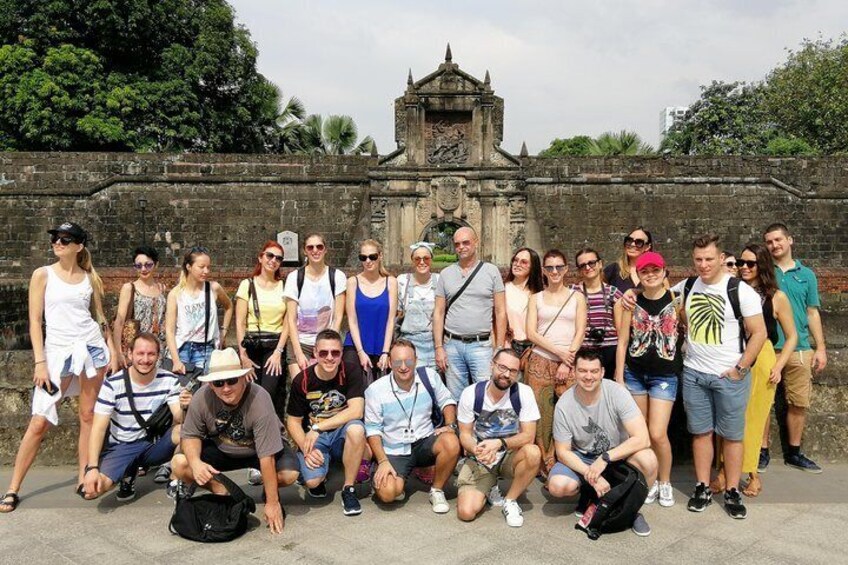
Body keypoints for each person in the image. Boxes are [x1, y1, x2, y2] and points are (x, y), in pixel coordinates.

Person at [1, 222, 111, 513]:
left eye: (65, 239)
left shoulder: (90, 278)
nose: (58, 243)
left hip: (90, 349)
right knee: (39, 421)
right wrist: (40, 362)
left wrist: (111, 349)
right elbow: (35, 322)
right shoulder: (43, 275)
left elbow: (99, 317)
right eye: (55, 238)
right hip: (57, 353)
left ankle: (82, 476)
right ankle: (13, 487)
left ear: (78, 246)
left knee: (88, 415)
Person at [670, 233, 766, 520]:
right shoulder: (686, 286)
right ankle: (702, 486)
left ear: (722, 258)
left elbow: (759, 332)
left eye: (709, 259)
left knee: (733, 436)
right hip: (695, 373)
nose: (703, 264)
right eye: (698, 259)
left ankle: (733, 490)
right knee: (701, 433)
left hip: (729, 375)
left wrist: (741, 368)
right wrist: (630, 294)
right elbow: (656, 292)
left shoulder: (740, 291)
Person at [170, 348, 299, 535]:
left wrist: (272, 502)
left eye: (232, 381)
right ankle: (221, 488)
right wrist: (196, 463)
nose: (226, 388)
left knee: (289, 474)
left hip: (258, 450)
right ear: (211, 385)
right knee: (180, 463)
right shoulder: (201, 397)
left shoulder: (260, 399)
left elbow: (267, 458)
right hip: (223, 448)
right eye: (219, 383)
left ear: (244, 378)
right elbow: (190, 436)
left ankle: (268, 488)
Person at [713, 244, 797, 497]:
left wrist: (779, 365)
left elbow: (791, 336)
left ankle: (752, 473)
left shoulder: (776, 297)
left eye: (751, 263)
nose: (745, 268)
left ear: (763, 266)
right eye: (741, 263)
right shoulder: (731, 291)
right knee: (726, 413)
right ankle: (723, 470)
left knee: (754, 417)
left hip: (762, 357)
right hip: (732, 353)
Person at [548, 350, 657, 537]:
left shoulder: (617, 393)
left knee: (648, 459)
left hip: (616, 454)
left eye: (593, 371)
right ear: (574, 372)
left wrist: (606, 458)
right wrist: (591, 475)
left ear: (602, 372)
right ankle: (589, 494)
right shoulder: (564, 405)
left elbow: (642, 438)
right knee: (558, 486)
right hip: (583, 456)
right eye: (582, 371)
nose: (588, 376)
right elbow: (563, 452)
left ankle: (631, 511)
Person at [83, 333, 187, 502]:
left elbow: (178, 416)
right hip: (122, 445)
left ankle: (175, 479)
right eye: (140, 353)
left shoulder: (169, 380)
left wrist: (185, 406)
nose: (145, 359)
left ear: (158, 356)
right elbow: (98, 428)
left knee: (185, 430)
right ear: (130, 354)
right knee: (92, 491)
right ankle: (128, 474)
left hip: (153, 444)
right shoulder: (112, 384)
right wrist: (92, 468)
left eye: (151, 354)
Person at [614, 251, 681, 508]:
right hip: (635, 373)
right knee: (640, 431)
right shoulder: (631, 302)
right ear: (638, 275)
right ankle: (649, 480)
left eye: (655, 270)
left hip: (664, 374)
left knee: (657, 432)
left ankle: (665, 481)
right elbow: (622, 342)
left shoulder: (677, 302)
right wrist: (619, 376)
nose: (651, 275)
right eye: (645, 271)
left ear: (664, 272)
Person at [365, 339, 460, 513]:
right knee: (387, 495)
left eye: (408, 361)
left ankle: (437, 490)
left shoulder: (429, 376)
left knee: (451, 441)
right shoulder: (375, 390)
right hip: (395, 449)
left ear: (416, 360)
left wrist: (450, 425)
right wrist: (383, 461)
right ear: (390, 363)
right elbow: (372, 430)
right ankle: (394, 477)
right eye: (397, 362)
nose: (403, 367)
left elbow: (447, 401)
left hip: (424, 441)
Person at [762, 223, 827, 474]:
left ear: (790, 240)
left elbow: (812, 312)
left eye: (778, 240)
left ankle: (794, 452)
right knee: (763, 401)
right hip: (770, 347)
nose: (774, 245)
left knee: (799, 402)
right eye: (769, 242)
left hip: (799, 346)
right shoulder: (765, 272)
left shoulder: (807, 274)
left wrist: (820, 347)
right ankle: (762, 450)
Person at [455, 349, 542, 528]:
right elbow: (464, 434)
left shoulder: (523, 393)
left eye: (513, 371)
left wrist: (500, 444)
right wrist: (476, 450)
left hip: (509, 454)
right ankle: (490, 485)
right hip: (481, 457)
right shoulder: (471, 393)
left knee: (533, 452)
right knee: (466, 512)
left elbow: (528, 436)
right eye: (502, 367)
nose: (506, 374)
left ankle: (510, 501)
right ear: (492, 365)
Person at [286, 329, 369, 516]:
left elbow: (356, 410)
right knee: (313, 483)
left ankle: (349, 489)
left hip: (340, 432)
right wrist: (306, 448)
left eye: (335, 352)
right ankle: (317, 469)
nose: (329, 358)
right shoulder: (302, 380)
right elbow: (292, 421)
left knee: (356, 429)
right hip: (317, 437)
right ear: (315, 353)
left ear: (341, 353)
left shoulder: (351, 370)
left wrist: (318, 426)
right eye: (323, 353)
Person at [525, 249, 587, 478]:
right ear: (543, 270)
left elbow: (580, 330)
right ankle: (543, 463)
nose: (554, 271)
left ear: (566, 269)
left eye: (558, 267)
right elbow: (531, 332)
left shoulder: (576, 297)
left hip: (569, 361)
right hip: (541, 360)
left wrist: (566, 358)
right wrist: (558, 352)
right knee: (542, 414)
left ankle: (566, 459)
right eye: (549, 267)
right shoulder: (536, 298)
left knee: (570, 411)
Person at [434, 226, 507, 401]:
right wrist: (438, 347)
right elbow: (438, 312)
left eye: (466, 242)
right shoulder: (445, 274)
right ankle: (459, 428)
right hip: (452, 344)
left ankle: (481, 428)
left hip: (481, 345)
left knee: (485, 394)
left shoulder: (491, 271)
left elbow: (500, 311)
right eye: (457, 244)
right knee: (456, 396)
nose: (461, 247)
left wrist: (499, 347)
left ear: (475, 242)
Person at [235, 241, 289, 415]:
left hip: (274, 346)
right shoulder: (247, 285)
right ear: (261, 257)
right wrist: (243, 355)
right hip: (251, 345)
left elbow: (288, 321)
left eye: (278, 258)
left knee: (269, 394)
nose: (273, 260)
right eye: (270, 255)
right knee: (249, 393)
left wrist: (278, 352)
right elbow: (240, 322)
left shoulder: (285, 286)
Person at [285, 233, 347, 378]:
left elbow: (338, 317)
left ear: (325, 250)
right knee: (301, 386)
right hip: (301, 343)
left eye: (319, 246)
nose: (315, 250)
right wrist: (298, 353)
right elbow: (291, 319)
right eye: (310, 247)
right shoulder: (294, 277)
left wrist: (329, 346)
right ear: (305, 251)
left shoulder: (337, 276)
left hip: (326, 344)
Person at [164, 247, 233, 375]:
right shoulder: (176, 294)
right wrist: (175, 360)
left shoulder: (213, 288)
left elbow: (229, 306)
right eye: (201, 267)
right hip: (183, 348)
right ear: (189, 266)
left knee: (205, 391)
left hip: (206, 348)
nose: (206, 271)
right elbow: (170, 330)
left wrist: (223, 331)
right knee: (182, 392)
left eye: (208, 267)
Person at [343, 239, 398, 378]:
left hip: (382, 344)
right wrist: (360, 352)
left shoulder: (390, 282)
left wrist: (385, 352)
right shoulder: (352, 282)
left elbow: (391, 319)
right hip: (356, 345)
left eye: (372, 256)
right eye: (363, 257)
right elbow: (352, 319)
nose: (368, 261)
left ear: (380, 256)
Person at [111, 245, 167, 374]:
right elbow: (119, 321)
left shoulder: (162, 289)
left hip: (158, 349)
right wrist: (118, 352)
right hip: (137, 348)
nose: (143, 269)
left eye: (148, 265)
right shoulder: (130, 288)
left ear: (156, 265)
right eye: (139, 265)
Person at [572, 247, 622, 380]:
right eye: (583, 265)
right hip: (584, 350)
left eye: (591, 263)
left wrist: (620, 366)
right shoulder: (573, 292)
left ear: (600, 264)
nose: (588, 267)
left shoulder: (613, 292)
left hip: (609, 350)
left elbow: (621, 330)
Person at [396, 242, 441, 369]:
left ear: (431, 260)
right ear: (412, 261)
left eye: (426, 258)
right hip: (409, 345)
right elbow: (396, 314)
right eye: (417, 259)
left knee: (432, 383)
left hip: (433, 345)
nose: (422, 262)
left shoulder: (440, 280)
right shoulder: (402, 281)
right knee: (410, 381)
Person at [504, 247, 544, 356]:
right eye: (515, 260)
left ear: (533, 266)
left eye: (524, 262)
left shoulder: (539, 294)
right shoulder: (503, 290)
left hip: (535, 349)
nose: (517, 264)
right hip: (509, 346)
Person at [604, 227, 654, 293]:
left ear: (647, 247)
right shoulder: (613, 270)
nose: (632, 244)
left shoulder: (656, 271)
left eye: (639, 242)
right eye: (629, 240)